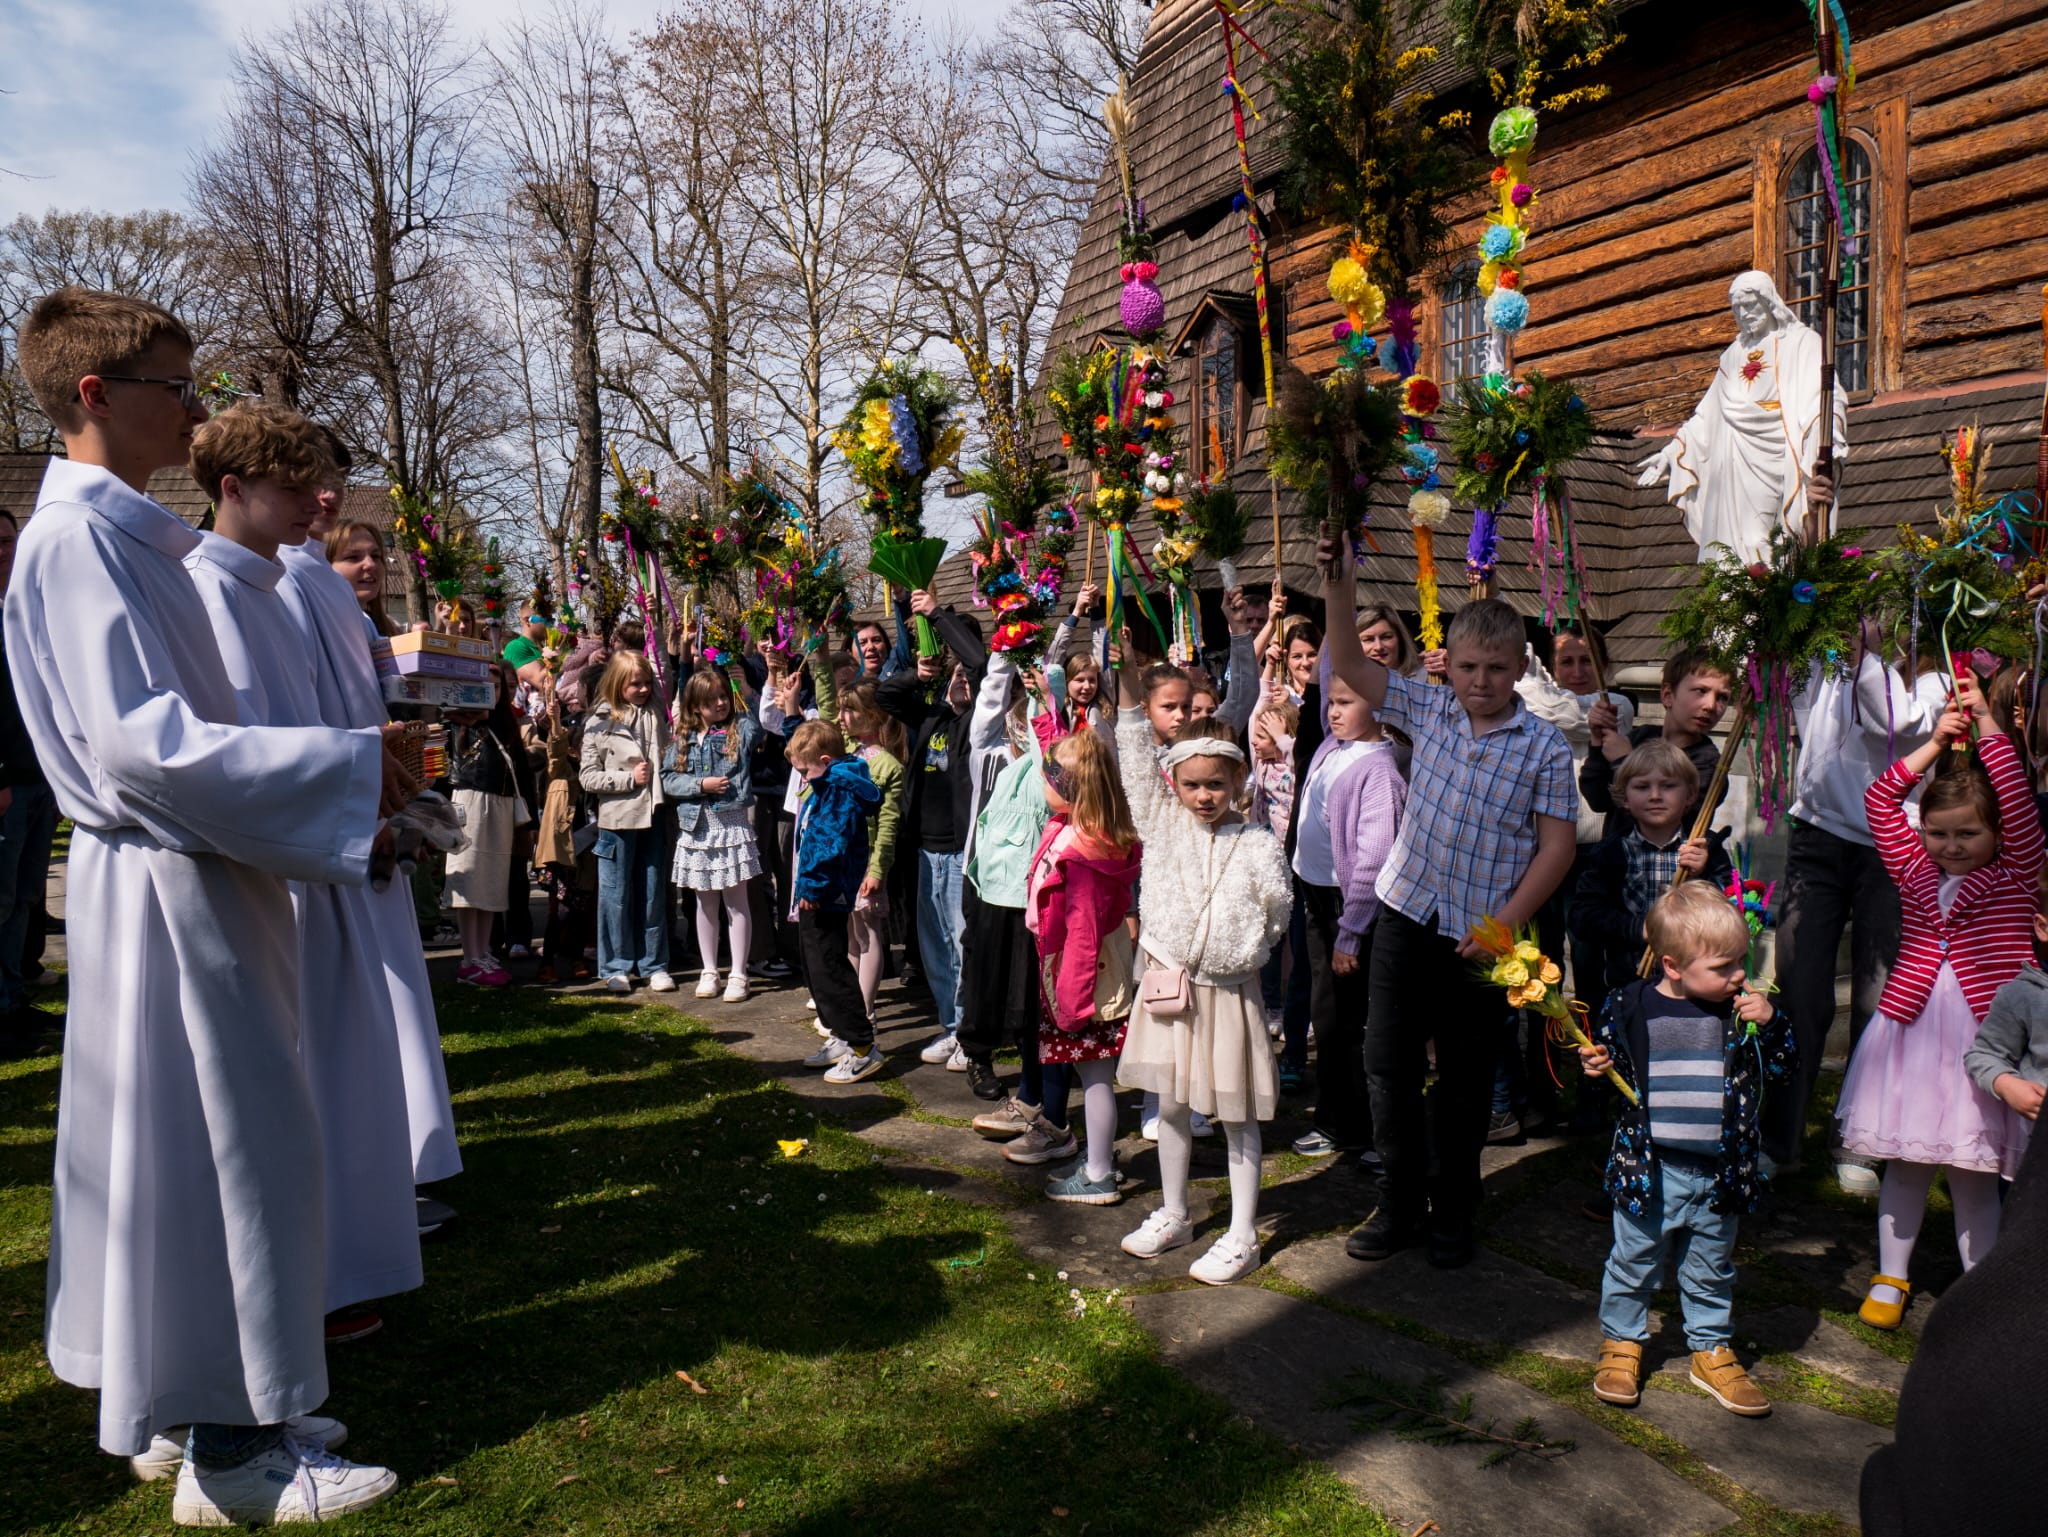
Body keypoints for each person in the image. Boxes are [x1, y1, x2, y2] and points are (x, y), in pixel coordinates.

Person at [9, 287, 400, 1519]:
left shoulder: (123, 537)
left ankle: (195, 1403)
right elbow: (142, 749)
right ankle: (237, 1455)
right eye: (172, 387)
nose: (193, 407)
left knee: (182, 1162)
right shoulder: (77, 542)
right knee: (229, 1153)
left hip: (183, 873)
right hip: (171, 877)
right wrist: (343, 766)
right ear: (92, 396)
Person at [181, 401, 422, 1353]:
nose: (315, 504)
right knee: (296, 1081)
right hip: (275, 866)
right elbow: (233, 747)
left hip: (322, 845)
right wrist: (351, 777)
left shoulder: (275, 579)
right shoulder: (212, 589)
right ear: (234, 489)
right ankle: (303, 1285)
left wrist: (370, 763)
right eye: (292, 487)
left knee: (340, 1066)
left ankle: (339, 1263)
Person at [1319, 529, 1578, 1270]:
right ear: (1449, 663)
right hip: (1405, 915)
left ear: (1520, 668)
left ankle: (1453, 1207)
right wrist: (1339, 584)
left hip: (1479, 937)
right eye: (1468, 666)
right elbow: (1348, 663)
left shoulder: (1543, 747)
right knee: (1388, 1062)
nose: (1481, 680)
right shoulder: (1427, 709)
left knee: (1465, 1081)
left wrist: (1506, 924)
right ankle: (1398, 1199)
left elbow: (1555, 848)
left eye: (1498, 668)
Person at [1837, 679, 2043, 1330]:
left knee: (1973, 1172)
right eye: (1938, 833)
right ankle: (1890, 1277)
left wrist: (1985, 724)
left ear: (1997, 832)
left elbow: (2013, 794)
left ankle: (1976, 1296)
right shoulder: (1914, 868)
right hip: (1913, 1030)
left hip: (1984, 1038)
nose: (1951, 846)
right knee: (1907, 1159)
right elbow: (1879, 797)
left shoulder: (2015, 870)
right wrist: (1933, 743)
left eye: (1967, 833)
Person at [290, 455, 461, 1226]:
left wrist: (419, 794)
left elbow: (409, 728)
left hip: (386, 811)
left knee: (399, 1003)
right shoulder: (293, 592)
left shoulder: (369, 624)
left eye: (374, 555)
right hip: (345, 821)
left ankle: (411, 1161)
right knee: (361, 1012)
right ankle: (381, 1176)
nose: (366, 566)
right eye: (352, 555)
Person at [1579, 883, 1795, 1418]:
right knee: (1633, 1262)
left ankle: (1710, 1348)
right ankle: (1622, 1341)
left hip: (1719, 1171)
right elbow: (1607, 1065)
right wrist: (1596, 1068)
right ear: (1673, 967)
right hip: (1650, 1169)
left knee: (1711, 1267)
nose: (1739, 976)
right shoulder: (1628, 1005)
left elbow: (1785, 1070)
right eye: (1723, 967)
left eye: (1741, 962)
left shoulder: (1742, 1014)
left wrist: (1772, 1028)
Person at [1113, 670, 1292, 1283]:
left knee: (1237, 1114)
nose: (1204, 796)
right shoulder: (1162, 827)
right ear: (1176, 785)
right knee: (1170, 1104)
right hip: (1170, 992)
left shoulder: (1259, 844)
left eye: (1216, 784)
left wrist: (1239, 957)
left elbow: (1276, 913)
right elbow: (1135, 764)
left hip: (1231, 995)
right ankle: (1173, 1211)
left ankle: (1243, 1232)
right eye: (1191, 785)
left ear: (1238, 781)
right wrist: (1130, 693)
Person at [1775, 614, 1951, 1188]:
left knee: (1877, 1003)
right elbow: (1775, 662)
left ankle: (1857, 1140)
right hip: (1818, 840)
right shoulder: (1829, 664)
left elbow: (1892, 725)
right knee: (1800, 992)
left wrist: (1863, 660)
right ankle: (1781, 1136)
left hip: (1891, 849)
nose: (1867, 624)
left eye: (1880, 615)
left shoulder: (1931, 682)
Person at [1634, 269, 1848, 564]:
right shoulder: (1732, 355)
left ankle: (1769, 597)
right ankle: (1740, 600)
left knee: (1771, 540)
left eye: (1750, 305)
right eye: (1737, 309)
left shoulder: (1802, 343)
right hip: (1735, 459)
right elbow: (1706, 417)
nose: (1744, 314)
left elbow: (1826, 397)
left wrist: (1830, 431)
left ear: (1768, 301)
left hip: (1777, 458)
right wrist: (1671, 452)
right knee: (1736, 544)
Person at [1289, 653, 1405, 1164]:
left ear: (1378, 707)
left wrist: (1351, 931)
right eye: (1330, 702)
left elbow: (1372, 859)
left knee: (1346, 1023)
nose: (1332, 712)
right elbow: (1327, 675)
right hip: (1317, 898)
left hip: (1349, 909)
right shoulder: (1334, 746)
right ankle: (1338, 1117)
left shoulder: (1378, 769)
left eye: (1345, 703)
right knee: (1327, 1015)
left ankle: (1355, 1127)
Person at [1025, 728, 1143, 1202]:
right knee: (1091, 1073)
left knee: (1095, 1074)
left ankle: (1098, 1174)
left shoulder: (1085, 854)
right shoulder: (1080, 830)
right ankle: (1098, 1153)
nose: (1041, 780)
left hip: (1086, 977)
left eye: (1049, 775)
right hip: (1081, 970)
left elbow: (1085, 932)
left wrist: (1071, 1002)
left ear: (1069, 787)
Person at [876, 596, 987, 1067]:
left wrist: (939, 613)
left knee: (963, 946)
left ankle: (970, 1032)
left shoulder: (981, 725)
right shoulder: (932, 716)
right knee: (935, 947)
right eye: (954, 674)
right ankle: (950, 1026)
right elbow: (885, 697)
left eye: (966, 676)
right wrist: (919, 676)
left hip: (964, 853)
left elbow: (982, 663)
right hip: (925, 851)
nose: (961, 680)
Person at [1570, 741, 1733, 997]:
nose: (1655, 795)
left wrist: (1705, 877)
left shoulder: (1706, 850)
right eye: (1642, 787)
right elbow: (1583, 917)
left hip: (1694, 986)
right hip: (1629, 984)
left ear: (1690, 795)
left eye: (1668, 786)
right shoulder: (1611, 853)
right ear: (1624, 797)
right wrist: (1641, 929)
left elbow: (1735, 910)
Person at [788, 714, 884, 1082]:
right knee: (815, 965)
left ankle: (862, 1047)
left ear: (825, 763)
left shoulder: (839, 789)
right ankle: (842, 1036)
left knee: (829, 967)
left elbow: (830, 842)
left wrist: (811, 885)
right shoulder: (828, 780)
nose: (802, 779)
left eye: (805, 771)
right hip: (816, 889)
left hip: (825, 891)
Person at [0, 507, 59, 1057]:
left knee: (24, 898)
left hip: (39, 780)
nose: (3, 551)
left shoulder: (19, 609)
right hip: (6, 787)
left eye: (8, 541)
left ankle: (15, 999)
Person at [580, 652, 674, 993]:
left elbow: (664, 670)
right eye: (635, 683)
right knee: (615, 896)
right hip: (617, 819)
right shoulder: (599, 722)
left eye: (647, 682)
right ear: (618, 684)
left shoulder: (654, 711)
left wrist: (658, 630)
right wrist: (627, 779)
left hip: (653, 814)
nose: (644, 689)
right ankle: (616, 965)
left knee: (652, 893)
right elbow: (588, 777)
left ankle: (654, 964)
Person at [666, 666, 761, 1002]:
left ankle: (738, 972)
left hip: (731, 824)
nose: (721, 703)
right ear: (695, 706)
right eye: (712, 699)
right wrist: (698, 785)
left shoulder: (739, 729)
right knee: (704, 903)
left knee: (736, 903)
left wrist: (743, 688)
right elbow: (668, 779)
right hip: (697, 827)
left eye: (723, 696)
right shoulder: (684, 738)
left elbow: (757, 727)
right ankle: (709, 969)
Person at [1582, 648, 1733, 841]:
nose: (1710, 706)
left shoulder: (1709, 767)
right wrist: (1597, 742)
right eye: (1700, 691)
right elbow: (1598, 799)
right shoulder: (1641, 738)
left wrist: (1624, 762)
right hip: (1616, 864)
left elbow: (1661, 823)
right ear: (1668, 695)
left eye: (1722, 697)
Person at [837, 679, 906, 1025]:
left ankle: (865, 1010)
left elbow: (889, 825)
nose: (841, 717)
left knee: (869, 933)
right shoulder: (847, 752)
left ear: (873, 715)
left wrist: (877, 870)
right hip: (844, 860)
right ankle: (850, 1007)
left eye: (850, 710)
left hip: (866, 863)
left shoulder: (888, 766)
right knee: (850, 934)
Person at [1964, 867, 2048, 1151]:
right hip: (2037, 1150)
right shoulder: (2022, 994)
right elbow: (1984, 1054)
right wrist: (2008, 1084)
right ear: (2043, 927)